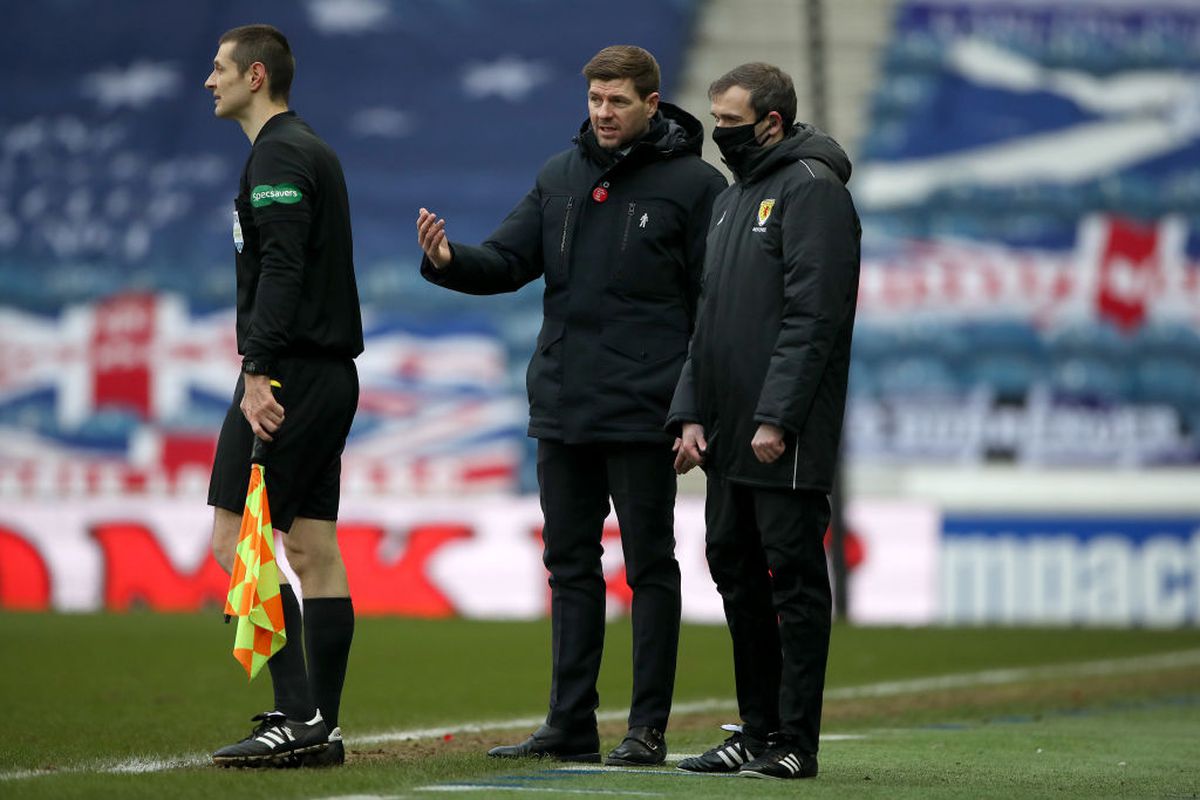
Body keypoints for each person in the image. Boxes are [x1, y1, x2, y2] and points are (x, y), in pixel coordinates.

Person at [416, 45, 725, 766]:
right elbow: (508, 261)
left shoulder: (696, 187)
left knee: (650, 568)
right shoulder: (559, 175)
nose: (604, 113)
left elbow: (713, 307)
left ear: (652, 103)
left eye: (618, 101)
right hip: (564, 403)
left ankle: (646, 729)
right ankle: (569, 722)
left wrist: (693, 406)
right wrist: (449, 261)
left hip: (647, 408)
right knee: (569, 566)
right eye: (595, 100)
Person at [667, 62, 861, 780]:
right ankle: (755, 730)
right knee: (736, 573)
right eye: (713, 119)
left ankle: (795, 743)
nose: (719, 134)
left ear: (772, 123)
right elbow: (709, 319)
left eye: (730, 123)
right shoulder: (732, 199)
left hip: (784, 436)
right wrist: (688, 411)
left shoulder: (813, 193)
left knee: (793, 581)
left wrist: (778, 415)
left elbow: (815, 318)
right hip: (726, 432)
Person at [203, 24, 363, 768]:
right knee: (311, 546)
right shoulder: (303, 149)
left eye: (220, 69)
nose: (210, 81)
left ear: (256, 75)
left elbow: (284, 270)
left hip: (290, 375)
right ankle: (319, 723)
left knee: (235, 539)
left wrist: (257, 369)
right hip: (324, 375)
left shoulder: (280, 153)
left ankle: (298, 716)